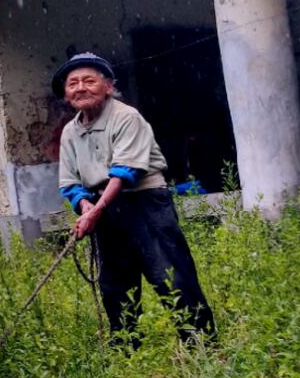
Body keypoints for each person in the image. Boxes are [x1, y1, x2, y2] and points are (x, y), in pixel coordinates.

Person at [54, 52, 215, 346]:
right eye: (73, 83)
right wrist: (85, 206)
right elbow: (69, 182)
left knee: (169, 275)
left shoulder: (126, 117)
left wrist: (95, 211)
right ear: (66, 94)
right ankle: (127, 348)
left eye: (89, 81)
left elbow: (125, 172)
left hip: (144, 201)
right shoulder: (70, 132)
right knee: (115, 283)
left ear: (108, 86)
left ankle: (202, 343)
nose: (80, 88)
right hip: (103, 208)